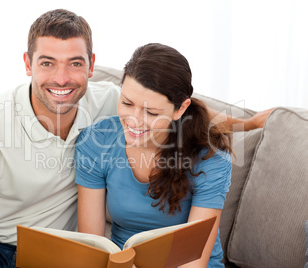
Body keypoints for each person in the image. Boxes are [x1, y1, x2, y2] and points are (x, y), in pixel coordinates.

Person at [0, 8, 271, 268]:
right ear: (28, 64)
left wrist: (250, 123)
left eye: (74, 63)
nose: (62, 78)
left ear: (91, 65)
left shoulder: (107, 102)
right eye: (47, 63)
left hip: (55, 251)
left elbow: (187, 110)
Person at [75, 43, 232, 267]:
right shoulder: (96, 142)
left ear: (180, 109)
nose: (134, 120)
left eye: (151, 112)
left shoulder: (211, 160)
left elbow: (194, 261)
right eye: (127, 103)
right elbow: (94, 246)